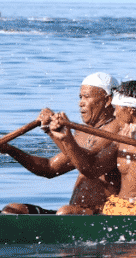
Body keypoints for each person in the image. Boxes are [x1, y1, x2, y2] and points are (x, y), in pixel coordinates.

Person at [46, 80, 136, 216]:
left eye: (117, 109)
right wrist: (67, 139)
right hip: (115, 208)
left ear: (130, 110)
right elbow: (91, 169)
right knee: (66, 211)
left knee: (64, 213)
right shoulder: (121, 137)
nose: (115, 114)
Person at [1, 72, 122, 215]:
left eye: (87, 97)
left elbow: (87, 167)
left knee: (64, 212)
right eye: (80, 97)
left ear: (108, 100)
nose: (80, 103)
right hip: (74, 212)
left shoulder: (117, 130)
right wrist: (10, 149)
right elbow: (49, 168)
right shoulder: (83, 134)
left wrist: (60, 135)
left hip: (102, 214)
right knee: (13, 209)